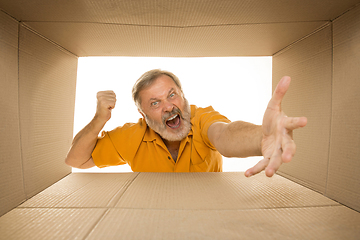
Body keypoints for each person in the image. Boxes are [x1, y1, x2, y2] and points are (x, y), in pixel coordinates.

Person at [65, 69, 307, 177]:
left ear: (182, 95)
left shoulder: (201, 118)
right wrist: (99, 119)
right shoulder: (131, 136)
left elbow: (225, 135)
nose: (169, 106)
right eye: (155, 103)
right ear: (143, 115)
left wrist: (261, 138)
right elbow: (76, 160)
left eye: (171, 95)